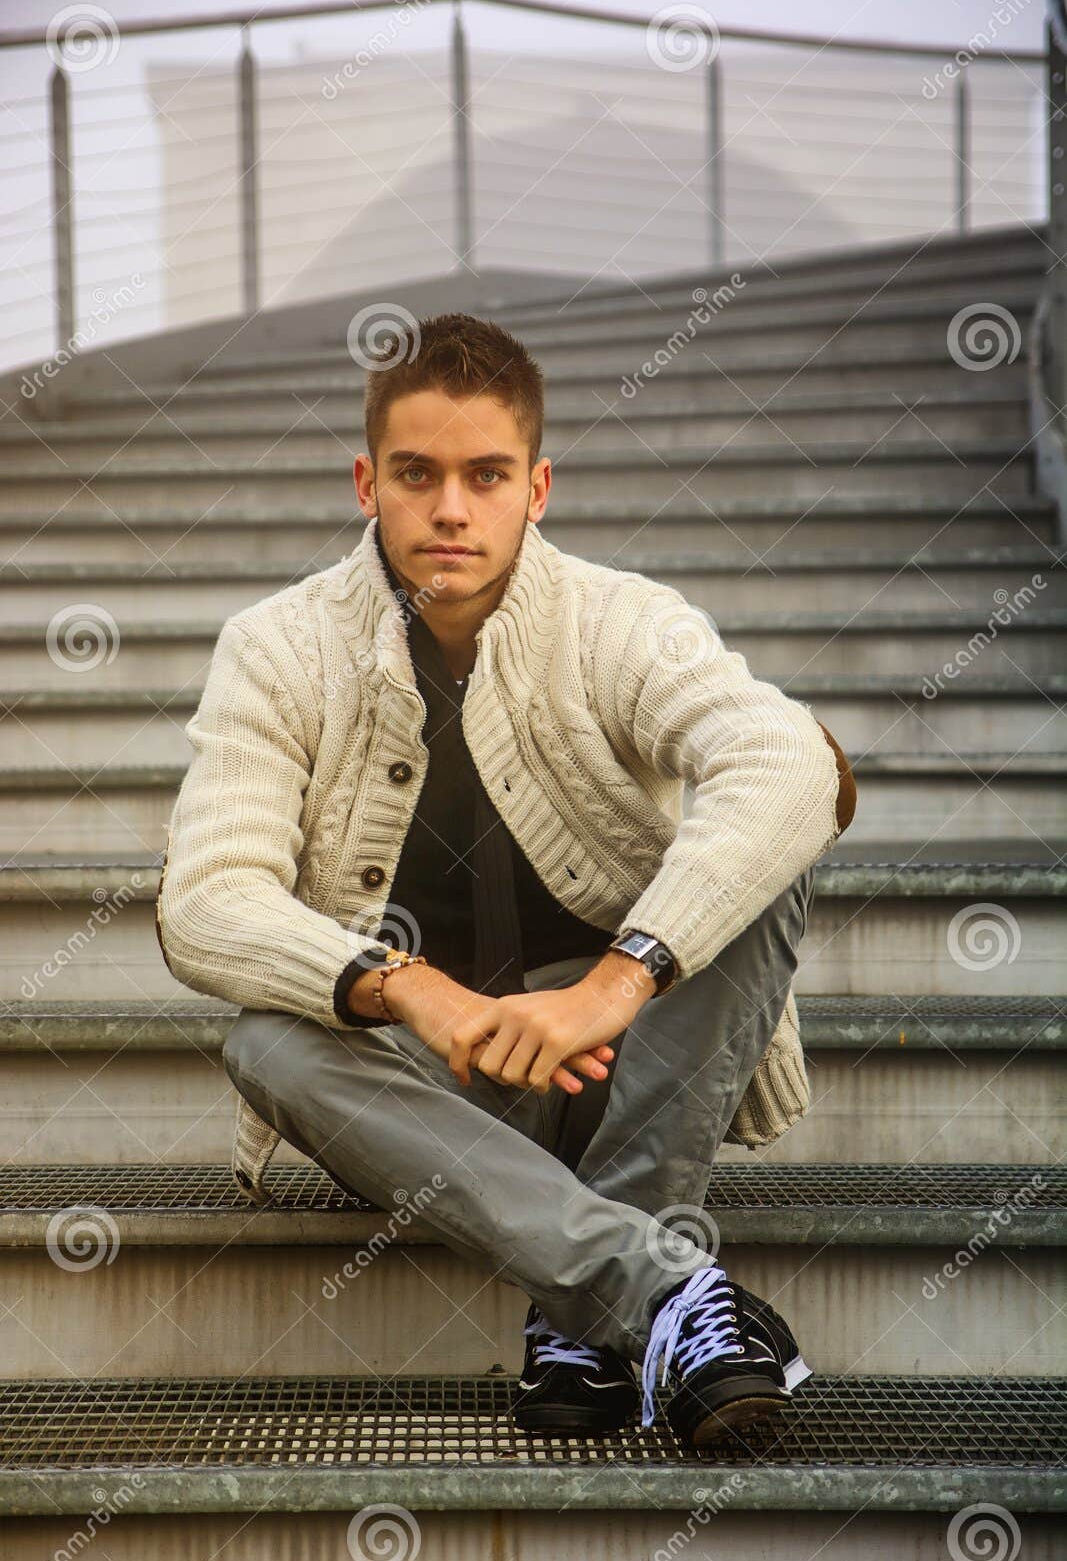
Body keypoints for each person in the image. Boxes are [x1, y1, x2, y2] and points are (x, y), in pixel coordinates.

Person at [156, 311, 856, 1447]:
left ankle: (590, 1316)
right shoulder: (277, 646)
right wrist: (408, 989)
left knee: (766, 845)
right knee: (263, 1042)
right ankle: (660, 1295)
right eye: (415, 474)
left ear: (535, 488)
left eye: (484, 476)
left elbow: (789, 764)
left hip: (621, 1061)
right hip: (431, 1089)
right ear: (364, 482)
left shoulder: (617, 620)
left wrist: (615, 984)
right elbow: (203, 902)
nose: (448, 510)